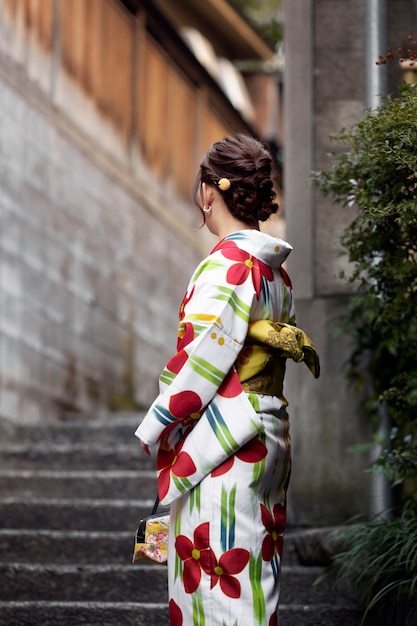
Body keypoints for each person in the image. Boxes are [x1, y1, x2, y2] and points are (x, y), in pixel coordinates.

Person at [135, 133, 320, 626]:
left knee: (216, 589)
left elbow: (202, 360)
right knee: (250, 578)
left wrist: (159, 422)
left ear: (207, 192)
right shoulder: (272, 270)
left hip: (223, 442)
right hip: (262, 432)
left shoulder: (227, 266)